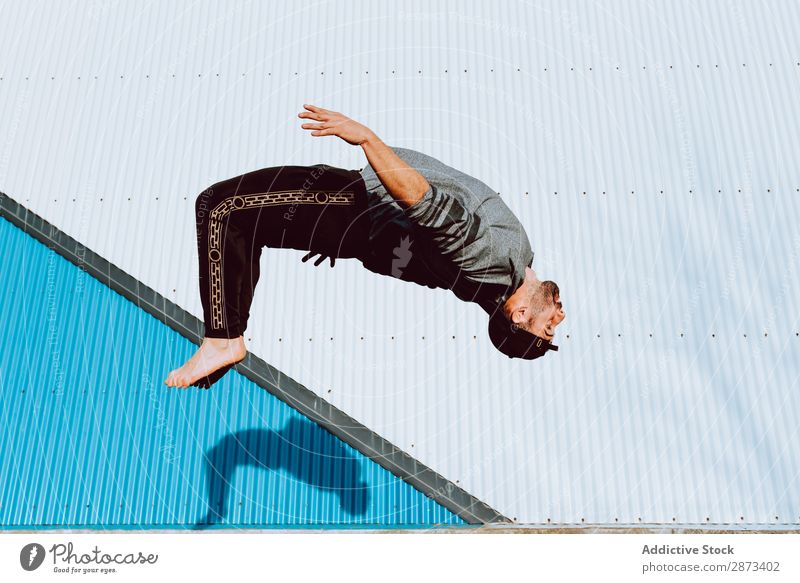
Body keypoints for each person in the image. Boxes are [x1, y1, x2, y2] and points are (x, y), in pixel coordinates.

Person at [165, 104, 565, 388]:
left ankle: (224, 339)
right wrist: (350, 242)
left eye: (545, 328)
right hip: (356, 224)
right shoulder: (508, 271)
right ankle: (227, 337)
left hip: (357, 203)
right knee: (245, 223)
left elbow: (424, 203)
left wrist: (367, 139)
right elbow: (423, 262)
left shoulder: (492, 262)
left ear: (521, 313)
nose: (558, 319)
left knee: (221, 207)